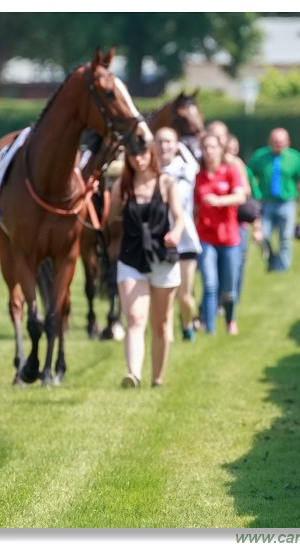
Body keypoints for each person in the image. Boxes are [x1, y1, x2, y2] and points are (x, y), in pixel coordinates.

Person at [111, 140, 184, 388]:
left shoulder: (166, 183)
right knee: (134, 317)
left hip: (162, 258)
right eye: (132, 154)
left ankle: (157, 378)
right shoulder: (123, 185)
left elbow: (180, 216)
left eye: (142, 153)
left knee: (161, 324)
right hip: (131, 259)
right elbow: (109, 219)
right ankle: (133, 374)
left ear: (150, 154)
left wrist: (176, 233)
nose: (138, 158)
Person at [193, 134, 246, 336]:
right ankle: (210, 329)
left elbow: (241, 196)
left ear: (220, 150)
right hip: (206, 237)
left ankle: (230, 321)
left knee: (228, 289)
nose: (209, 151)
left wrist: (219, 200)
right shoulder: (198, 177)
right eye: (205, 147)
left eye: (213, 147)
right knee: (209, 284)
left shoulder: (230, 172)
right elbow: (195, 208)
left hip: (230, 238)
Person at [155, 126, 201, 343]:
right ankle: (167, 334)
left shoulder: (185, 169)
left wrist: (182, 145)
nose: (164, 146)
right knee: (164, 294)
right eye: (160, 142)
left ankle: (187, 323)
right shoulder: (149, 172)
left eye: (169, 142)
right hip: (158, 239)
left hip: (185, 240)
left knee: (184, 296)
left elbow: (195, 163)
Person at [247, 127, 300, 272]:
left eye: (281, 143)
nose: (278, 146)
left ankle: (282, 267)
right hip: (265, 203)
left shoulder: (295, 157)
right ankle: (272, 260)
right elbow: (248, 174)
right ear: (269, 142)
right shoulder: (260, 156)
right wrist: (253, 193)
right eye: (275, 142)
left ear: (288, 142)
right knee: (263, 235)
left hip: (286, 203)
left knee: (286, 237)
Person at [225, 133, 262, 305]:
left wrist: (257, 226)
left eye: (234, 149)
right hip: (221, 224)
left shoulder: (242, 168)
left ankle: (234, 298)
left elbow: (252, 198)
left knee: (239, 262)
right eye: (228, 149)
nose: (231, 153)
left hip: (240, 222)